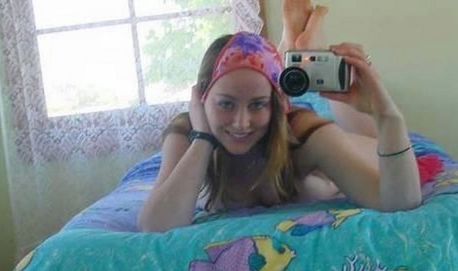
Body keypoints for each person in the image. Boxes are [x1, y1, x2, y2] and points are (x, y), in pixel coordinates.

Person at [137, 1, 421, 233]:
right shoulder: (186, 133)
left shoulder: (307, 135)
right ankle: (293, 45)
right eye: (226, 104)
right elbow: (154, 225)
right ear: (200, 96)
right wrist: (202, 139)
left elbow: (399, 200)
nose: (241, 122)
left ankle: (305, 46)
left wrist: (388, 116)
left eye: (258, 105)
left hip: (354, 146)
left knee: (364, 140)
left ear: (277, 105)